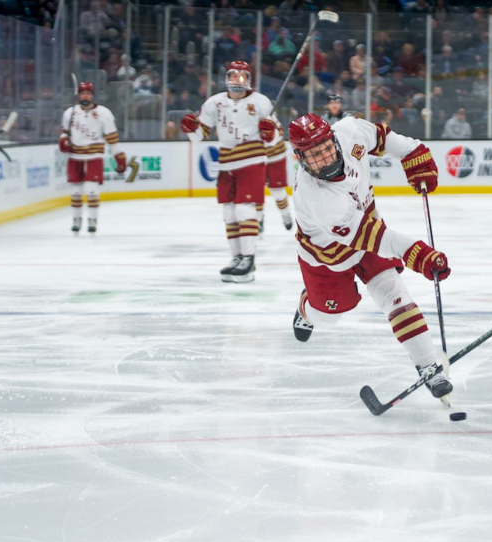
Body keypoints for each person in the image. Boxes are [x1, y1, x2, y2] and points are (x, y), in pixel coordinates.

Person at [286, 113, 453, 402]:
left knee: (393, 290)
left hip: (366, 226)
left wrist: (413, 154)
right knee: (329, 317)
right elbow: (377, 238)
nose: (325, 158)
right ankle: (306, 308)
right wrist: (418, 254)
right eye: (314, 155)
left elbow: (385, 138)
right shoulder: (317, 197)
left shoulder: (350, 130)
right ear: (300, 158)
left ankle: (428, 366)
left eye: (326, 147)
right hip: (327, 256)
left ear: (333, 139)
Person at [181, 61, 276, 283]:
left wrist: (269, 133)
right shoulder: (214, 102)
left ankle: (249, 258)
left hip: (252, 158)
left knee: (244, 209)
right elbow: (199, 134)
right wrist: (189, 129)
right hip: (226, 162)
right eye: (233, 76)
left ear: (249, 79)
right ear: (227, 78)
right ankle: (237, 258)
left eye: (242, 76)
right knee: (230, 213)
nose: (237, 80)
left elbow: (273, 137)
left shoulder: (261, 102)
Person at [59, 81, 126, 235]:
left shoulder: (104, 113)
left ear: (93, 95)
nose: (85, 96)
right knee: (75, 191)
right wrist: (63, 141)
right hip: (75, 156)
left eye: (88, 93)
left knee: (91, 190)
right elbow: (65, 133)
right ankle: (76, 220)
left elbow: (112, 139)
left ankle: (92, 220)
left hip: (94, 156)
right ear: (79, 95)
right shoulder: (69, 113)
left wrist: (119, 157)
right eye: (83, 93)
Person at [257, 115, 294, 232]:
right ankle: (258, 219)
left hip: (276, 157)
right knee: (255, 191)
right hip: (256, 158)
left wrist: (271, 135)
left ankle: (285, 214)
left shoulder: (267, 113)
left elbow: (280, 130)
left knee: (278, 191)